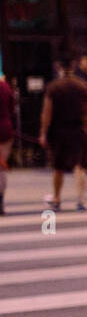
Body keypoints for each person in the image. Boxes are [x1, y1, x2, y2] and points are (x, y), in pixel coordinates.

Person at [39, 58, 87, 212]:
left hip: (59, 130)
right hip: (79, 129)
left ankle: (56, 198)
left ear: (58, 67)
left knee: (58, 166)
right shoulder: (83, 86)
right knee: (80, 165)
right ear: (73, 66)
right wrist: (86, 128)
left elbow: (47, 112)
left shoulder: (54, 87)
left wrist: (43, 132)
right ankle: (81, 199)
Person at [0, 73, 14, 215]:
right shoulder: (5, 87)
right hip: (5, 129)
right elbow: (12, 108)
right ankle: (0, 199)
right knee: (1, 168)